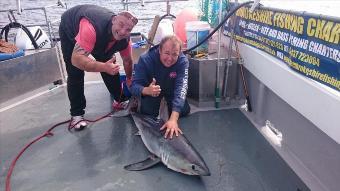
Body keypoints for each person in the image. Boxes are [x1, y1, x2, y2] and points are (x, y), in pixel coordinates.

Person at [59, 5, 138, 131]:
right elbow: (76, 59)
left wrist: (129, 78)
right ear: (114, 20)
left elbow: (128, 61)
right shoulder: (91, 27)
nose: (123, 31)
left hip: (101, 37)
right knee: (75, 73)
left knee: (111, 66)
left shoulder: (125, 39)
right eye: (121, 25)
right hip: (70, 28)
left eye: (128, 29)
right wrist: (103, 67)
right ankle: (77, 115)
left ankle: (119, 100)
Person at [130, 35, 190, 139]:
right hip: (151, 91)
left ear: (179, 53)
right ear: (159, 50)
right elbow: (133, 86)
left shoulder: (182, 61)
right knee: (148, 113)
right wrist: (146, 90)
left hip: (171, 89)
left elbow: (181, 89)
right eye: (166, 53)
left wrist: (173, 119)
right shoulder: (145, 59)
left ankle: (167, 108)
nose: (170, 59)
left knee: (184, 110)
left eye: (175, 54)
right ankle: (137, 103)